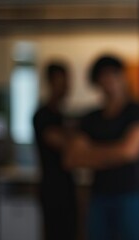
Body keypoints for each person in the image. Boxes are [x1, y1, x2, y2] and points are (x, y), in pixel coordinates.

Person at [64, 55, 139, 240]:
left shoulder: (137, 111)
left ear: (122, 77)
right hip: (98, 196)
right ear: (97, 82)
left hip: (131, 195)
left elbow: (130, 152)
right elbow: (72, 158)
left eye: (113, 75)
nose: (109, 81)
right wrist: (115, 153)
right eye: (104, 76)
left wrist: (92, 154)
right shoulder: (91, 118)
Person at [33, 62, 77, 240]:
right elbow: (60, 142)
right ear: (51, 83)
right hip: (52, 187)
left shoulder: (63, 115)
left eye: (67, 81)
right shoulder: (42, 115)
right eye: (61, 81)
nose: (65, 86)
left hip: (67, 185)